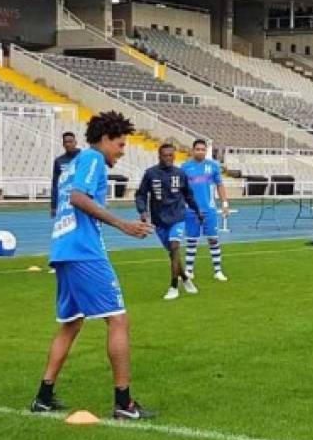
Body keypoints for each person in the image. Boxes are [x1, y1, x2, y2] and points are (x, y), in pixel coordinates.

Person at [32, 111, 155, 420]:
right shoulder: (92, 159)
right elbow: (77, 197)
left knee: (72, 322)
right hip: (83, 250)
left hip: (63, 249)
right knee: (117, 320)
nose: (121, 151)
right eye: (120, 144)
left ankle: (44, 397)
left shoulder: (74, 163)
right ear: (104, 140)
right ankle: (124, 403)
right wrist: (122, 225)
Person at [136, 144, 202, 300]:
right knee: (173, 254)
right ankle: (185, 278)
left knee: (174, 248)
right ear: (159, 156)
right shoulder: (150, 174)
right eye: (165, 155)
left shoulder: (180, 174)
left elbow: (188, 195)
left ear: (174, 156)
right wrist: (143, 211)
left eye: (171, 155)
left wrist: (198, 211)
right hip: (159, 220)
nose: (168, 158)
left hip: (177, 217)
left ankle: (173, 286)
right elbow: (141, 195)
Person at [181, 139, 229, 282]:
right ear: (193, 150)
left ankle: (218, 271)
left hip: (209, 209)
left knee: (213, 239)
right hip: (191, 210)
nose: (200, 151)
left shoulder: (213, 166)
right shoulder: (185, 167)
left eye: (203, 149)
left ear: (206, 151)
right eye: (198, 149)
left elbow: (220, 185)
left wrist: (225, 203)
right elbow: (181, 190)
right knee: (191, 240)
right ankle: (189, 271)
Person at [50, 132, 80, 218]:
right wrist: (53, 206)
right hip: (65, 202)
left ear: (75, 142)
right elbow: (55, 185)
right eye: (66, 142)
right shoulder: (59, 161)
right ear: (63, 144)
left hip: (82, 200)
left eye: (70, 141)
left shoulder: (83, 157)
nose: (68, 144)